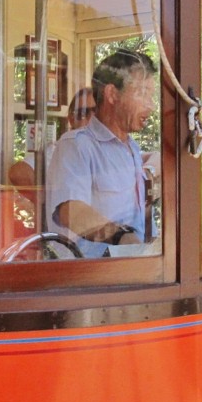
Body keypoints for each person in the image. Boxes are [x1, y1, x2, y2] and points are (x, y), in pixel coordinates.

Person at [46, 50, 158, 258]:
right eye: (142, 93)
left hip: (132, 271)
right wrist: (121, 237)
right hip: (90, 282)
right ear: (112, 94)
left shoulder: (131, 148)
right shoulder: (76, 146)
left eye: (150, 95)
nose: (150, 105)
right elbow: (72, 212)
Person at [8, 87, 96, 201]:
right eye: (83, 113)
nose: (90, 120)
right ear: (71, 119)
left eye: (96, 113)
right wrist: (51, 203)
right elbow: (18, 173)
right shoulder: (62, 150)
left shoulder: (116, 151)